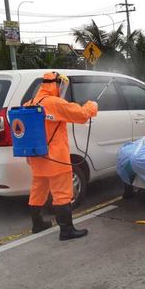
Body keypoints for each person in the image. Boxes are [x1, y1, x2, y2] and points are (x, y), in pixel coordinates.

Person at [26, 72, 98, 241]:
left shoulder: (29, 103)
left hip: (37, 157)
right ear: (56, 84)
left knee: (38, 191)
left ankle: (37, 223)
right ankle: (66, 230)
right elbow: (81, 115)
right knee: (62, 193)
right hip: (56, 158)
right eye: (61, 85)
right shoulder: (55, 103)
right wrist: (92, 105)